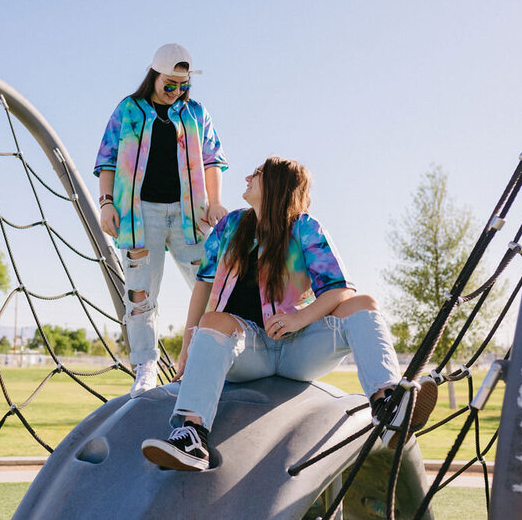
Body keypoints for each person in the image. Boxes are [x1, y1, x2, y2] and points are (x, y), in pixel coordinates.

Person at [141, 156, 438, 471]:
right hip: (246, 350)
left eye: (257, 173)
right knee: (211, 321)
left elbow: (340, 290)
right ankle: (192, 436)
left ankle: (389, 405)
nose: (247, 177)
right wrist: (190, 343)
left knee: (364, 303)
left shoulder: (305, 228)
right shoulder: (230, 226)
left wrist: (299, 319)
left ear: (276, 185)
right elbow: (203, 284)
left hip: (299, 348)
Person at [94, 43, 229, 397]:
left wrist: (215, 203)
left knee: (214, 288)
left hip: (190, 216)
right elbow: (107, 160)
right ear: (154, 76)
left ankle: (205, 359)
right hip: (140, 216)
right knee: (140, 293)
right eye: (170, 84)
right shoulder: (128, 110)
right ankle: (145, 366)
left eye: (183, 85)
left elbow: (213, 161)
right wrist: (106, 203)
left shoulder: (197, 114)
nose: (176, 92)